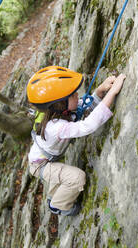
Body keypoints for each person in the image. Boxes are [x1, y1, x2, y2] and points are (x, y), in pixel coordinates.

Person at [26, 66, 126, 216]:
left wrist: (100, 91)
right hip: (40, 165)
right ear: (60, 104)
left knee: (61, 175)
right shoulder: (56, 127)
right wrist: (112, 93)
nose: (77, 95)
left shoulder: (58, 112)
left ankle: (55, 196)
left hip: (43, 160)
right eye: (72, 95)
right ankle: (58, 206)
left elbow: (84, 107)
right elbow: (87, 125)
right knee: (77, 178)